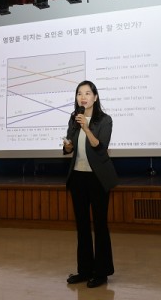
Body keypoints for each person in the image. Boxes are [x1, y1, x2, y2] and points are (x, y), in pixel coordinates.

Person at [62, 80, 119, 288]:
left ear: (95, 97)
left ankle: (102, 272)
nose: (83, 97)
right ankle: (85, 270)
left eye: (87, 93)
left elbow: (100, 147)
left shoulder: (105, 120)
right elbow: (69, 147)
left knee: (100, 225)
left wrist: (86, 128)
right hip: (78, 177)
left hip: (98, 178)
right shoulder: (74, 117)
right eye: (79, 93)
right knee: (82, 225)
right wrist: (67, 145)